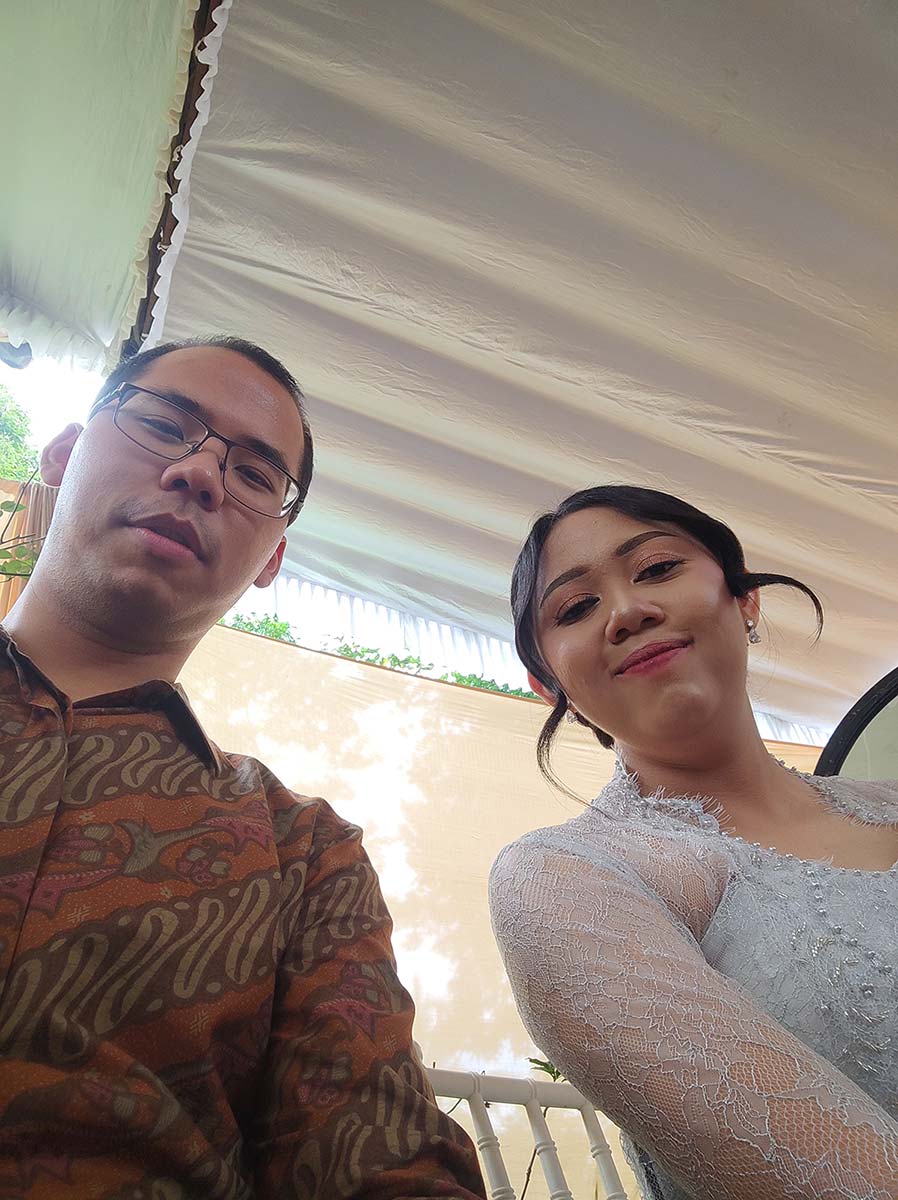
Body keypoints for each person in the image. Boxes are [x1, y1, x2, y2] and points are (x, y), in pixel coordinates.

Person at [0, 336, 485, 1199]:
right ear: (64, 454)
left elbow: (377, 1151)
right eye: (163, 424)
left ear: (271, 561)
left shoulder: (307, 855)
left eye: (255, 475)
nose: (200, 475)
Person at [489, 485, 898, 1200]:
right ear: (547, 683)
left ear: (745, 599)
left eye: (657, 569)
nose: (626, 611)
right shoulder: (569, 877)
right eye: (576, 608)